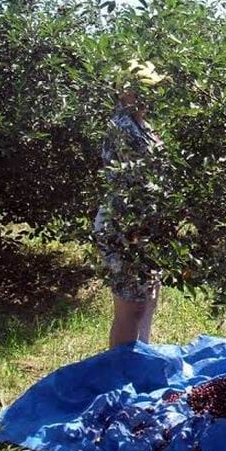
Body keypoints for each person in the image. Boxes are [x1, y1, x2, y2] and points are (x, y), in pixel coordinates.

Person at [94, 60, 167, 348]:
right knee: (130, 305)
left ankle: (141, 358)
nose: (149, 95)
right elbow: (138, 177)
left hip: (141, 222)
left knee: (148, 294)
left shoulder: (143, 124)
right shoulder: (122, 126)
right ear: (126, 91)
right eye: (142, 89)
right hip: (124, 223)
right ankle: (121, 372)